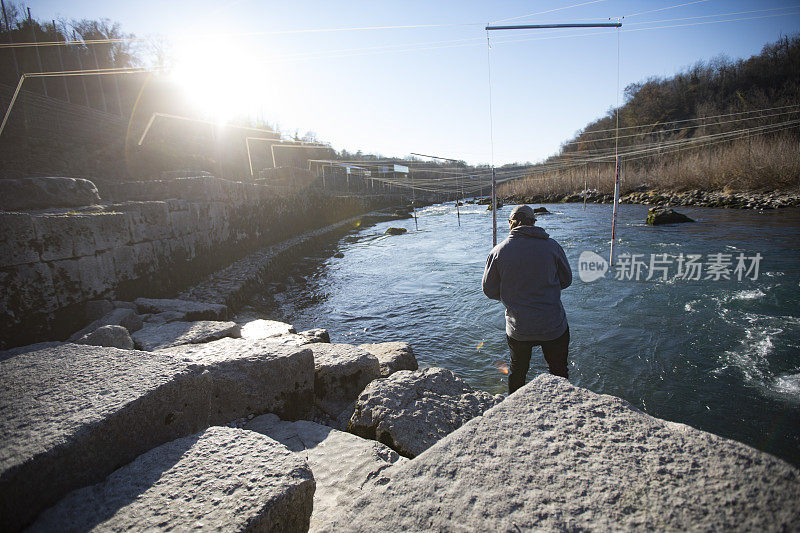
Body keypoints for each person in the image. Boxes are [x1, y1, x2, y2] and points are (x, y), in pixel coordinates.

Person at [482, 205, 572, 394]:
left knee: (518, 371)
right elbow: (566, 280)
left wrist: (512, 297)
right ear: (533, 222)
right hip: (553, 325)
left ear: (510, 224)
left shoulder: (498, 251)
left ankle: (514, 411)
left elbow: (489, 291)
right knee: (559, 372)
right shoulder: (552, 246)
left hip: (519, 327)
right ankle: (563, 409)